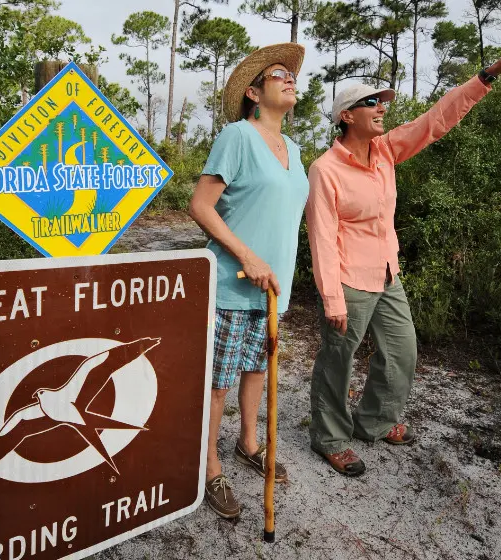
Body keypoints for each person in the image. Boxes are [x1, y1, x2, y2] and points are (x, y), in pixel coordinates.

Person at [306, 40, 501, 477]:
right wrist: (331, 296)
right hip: (349, 280)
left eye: (382, 102)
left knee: (402, 351)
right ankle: (330, 437)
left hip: (387, 273)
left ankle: (374, 422)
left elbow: (437, 119)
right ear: (346, 117)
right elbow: (321, 236)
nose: (381, 108)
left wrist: (490, 73)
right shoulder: (325, 169)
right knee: (338, 359)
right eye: (371, 103)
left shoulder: (387, 151)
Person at [188, 43, 309, 518]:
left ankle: (248, 443)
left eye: (292, 74)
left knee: (259, 370)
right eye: (279, 74)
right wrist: (246, 254)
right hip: (232, 284)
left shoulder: (295, 150)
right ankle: (209, 464)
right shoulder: (238, 135)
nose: (290, 78)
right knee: (217, 382)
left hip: (274, 289)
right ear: (256, 94)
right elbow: (200, 206)